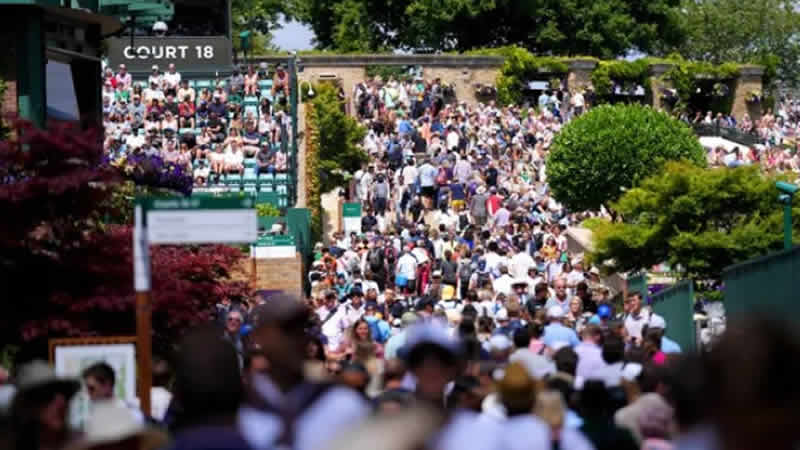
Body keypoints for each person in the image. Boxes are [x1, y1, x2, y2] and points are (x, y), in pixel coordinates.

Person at [239, 295, 370, 450]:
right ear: (260, 335)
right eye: (285, 329)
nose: (295, 339)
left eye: (301, 329)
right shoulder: (237, 409)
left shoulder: (342, 405)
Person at [9, 360, 81, 450]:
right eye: (46, 394)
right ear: (25, 404)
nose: (61, 401)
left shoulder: (85, 444)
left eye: (66, 393)